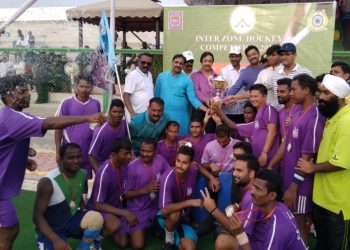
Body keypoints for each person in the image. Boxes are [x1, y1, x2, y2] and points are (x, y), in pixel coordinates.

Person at [0, 75, 105, 249]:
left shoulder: (14, 116)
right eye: (22, 91)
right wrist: (88, 118)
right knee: (10, 230)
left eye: (27, 89)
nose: (28, 94)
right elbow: (50, 122)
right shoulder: (12, 117)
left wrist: (24, 160)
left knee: (9, 230)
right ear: (8, 97)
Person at [269, 74, 325, 246]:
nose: (291, 93)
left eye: (294, 89)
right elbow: (287, 143)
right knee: (292, 222)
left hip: (300, 185)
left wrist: (293, 187)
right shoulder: (296, 110)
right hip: (288, 177)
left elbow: (306, 158)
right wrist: (272, 165)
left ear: (306, 90)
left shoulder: (315, 117)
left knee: (300, 224)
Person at [296, 74, 350, 250]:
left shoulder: (347, 122)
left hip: (339, 207)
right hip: (324, 201)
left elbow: (340, 162)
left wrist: (312, 167)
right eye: (320, 92)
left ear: (340, 98)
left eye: (326, 93)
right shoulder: (332, 117)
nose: (320, 96)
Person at [201, 169, 307, 250]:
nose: (252, 192)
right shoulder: (277, 206)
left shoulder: (278, 227)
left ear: (272, 195)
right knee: (223, 241)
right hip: (263, 243)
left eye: (258, 189)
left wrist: (240, 233)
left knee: (223, 241)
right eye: (254, 187)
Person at [33, 143, 104, 250]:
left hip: (71, 220)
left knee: (96, 218)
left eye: (78, 157)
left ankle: (84, 247)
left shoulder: (83, 174)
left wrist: (83, 209)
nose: (76, 161)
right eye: (71, 158)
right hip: (52, 228)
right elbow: (37, 216)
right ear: (61, 159)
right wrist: (55, 240)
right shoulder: (47, 182)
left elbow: (81, 193)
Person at [87, 138, 136, 249]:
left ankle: (105, 227)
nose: (129, 157)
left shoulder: (123, 164)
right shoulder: (104, 173)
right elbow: (98, 204)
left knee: (123, 243)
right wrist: (125, 213)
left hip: (115, 206)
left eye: (130, 153)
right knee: (115, 225)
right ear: (114, 154)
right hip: (99, 209)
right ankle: (92, 238)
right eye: (126, 154)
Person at [215, 84, 279, 167]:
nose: (252, 99)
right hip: (258, 158)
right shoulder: (258, 117)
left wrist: (264, 152)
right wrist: (220, 112)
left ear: (265, 96)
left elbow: (272, 132)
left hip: (267, 158)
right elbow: (234, 126)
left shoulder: (269, 109)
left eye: (256, 96)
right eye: (251, 96)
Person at [124, 137, 171, 249]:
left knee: (173, 214)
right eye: (142, 150)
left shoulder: (160, 160)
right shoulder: (131, 167)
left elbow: (170, 176)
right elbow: (125, 194)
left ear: (155, 151)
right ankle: (130, 228)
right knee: (138, 246)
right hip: (138, 209)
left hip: (156, 206)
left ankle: (157, 230)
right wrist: (145, 190)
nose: (145, 154)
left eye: (149, 151)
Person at [55, 74, 101, 179]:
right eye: (81, 86)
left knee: (84, 179)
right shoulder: (66, 103)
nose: (84, 89)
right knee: (68, 179)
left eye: (87, 87)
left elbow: (97, 126)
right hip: (69, 151)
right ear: (76, 87)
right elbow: (58, 127)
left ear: (92, 88)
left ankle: (83, 196)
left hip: (87, 151)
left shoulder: (96, 104)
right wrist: (58, 151)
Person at [157, 145, 202, 250]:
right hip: (165, 217)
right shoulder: (167, 178)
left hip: (183, 219)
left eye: (184, 163)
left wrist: (211, 177)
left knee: (190, 248)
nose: (180, 165)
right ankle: (169, 242)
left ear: (190, 163)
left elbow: (198, 166)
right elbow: (164, 210)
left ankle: (170, 234)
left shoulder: (193, 170)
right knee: (175, 212)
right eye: (178, 161)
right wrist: (190, 202)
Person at [214, 153, 259, 250]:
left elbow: (242, 234)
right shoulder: (249, 188)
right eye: (234, 170)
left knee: (222, 241)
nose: (234, 173)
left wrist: (213, 210)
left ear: (251, 173)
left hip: (257, 243)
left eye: (239, 170)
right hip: (253, 236)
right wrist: (238, 206)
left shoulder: (253, 196)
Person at [155, 54, 208, 135]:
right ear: (172, 62)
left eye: (181, 63)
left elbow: (193, 99)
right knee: (163, 140)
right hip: (163, 115)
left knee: (181, 141)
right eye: (176, 62)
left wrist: (206, 109)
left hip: (181, 116)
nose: (178, 65)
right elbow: (156, 97)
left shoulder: (187, 80)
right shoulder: (161, 76)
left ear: (183, 66)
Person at [264, 43, 312, 109]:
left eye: (287, 54)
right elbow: (260, 89)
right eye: (282, 55)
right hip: (279, 115)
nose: (283, 57)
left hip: (299, 115)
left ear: (295, 55)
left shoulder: (305, 72)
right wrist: (244, 95)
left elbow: (312, 95)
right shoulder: (275, 75)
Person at [88, 99, 127, 172]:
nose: (117, 115)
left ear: (124, 113)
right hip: (104, 167)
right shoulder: (100, 131)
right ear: (109, 112)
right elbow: (91, 155)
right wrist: (99, 173)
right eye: (114, 112)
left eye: (120, 112)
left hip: (119, 166)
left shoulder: (125, 125)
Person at [123, 53, 154, 120]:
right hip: (136, 115)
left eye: (149, 63)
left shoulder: (149, 75)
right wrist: (132, 113)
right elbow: (126, 95)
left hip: (147, 115)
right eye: (143, 62)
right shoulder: (132, 76)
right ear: (138, 62)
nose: (146, 65)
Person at [220, 46, 245, 123]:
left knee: (241, 134)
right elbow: (223, 89)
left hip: (243, 109)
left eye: (236, 56)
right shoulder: (224, 70)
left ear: (240, 57)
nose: (234, 59)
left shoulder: (245, 70)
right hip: (228, 110)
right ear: (229, 57)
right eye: (232, 56)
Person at [191, 51, 218, 118]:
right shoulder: (195, 76)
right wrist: (206, 100)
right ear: (201, 62)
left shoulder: (217, 77)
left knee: (211, 128)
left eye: (210, 61)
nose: (207, 63)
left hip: (214, 107)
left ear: (212, 63)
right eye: (205, 61)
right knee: (197, 127)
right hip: (199, 107)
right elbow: (196, 91)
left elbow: (220, 92)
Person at [255, 44, 283, 109]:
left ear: (280, 56)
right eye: (269, 55)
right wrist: (237, 97)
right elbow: (255, 90)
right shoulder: (263, 72)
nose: (270, 57)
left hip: (283, 110)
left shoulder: (285, 70)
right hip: (266, 110)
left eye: (273, 55)